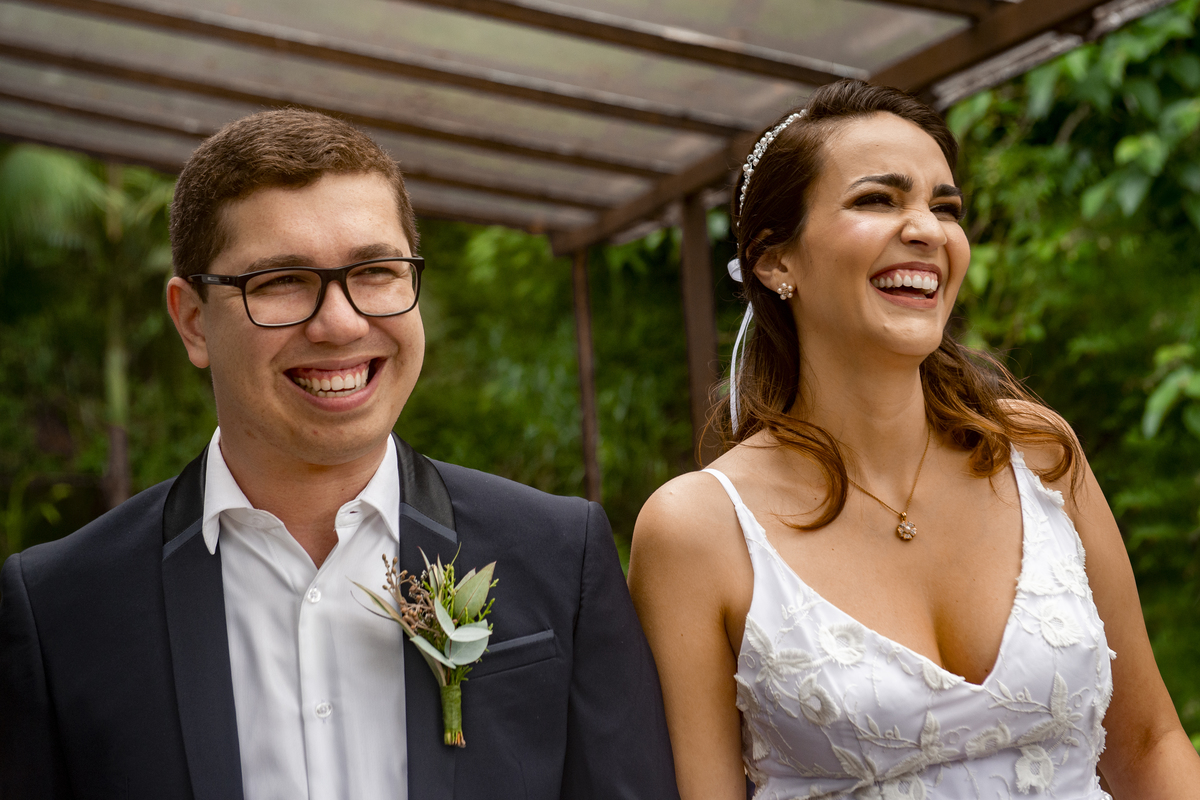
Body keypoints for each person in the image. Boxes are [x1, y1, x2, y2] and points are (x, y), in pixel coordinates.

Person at [0, 109, 679, 800]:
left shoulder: (563, 558)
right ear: (193, 320)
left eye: (377, 270)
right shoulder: (56, 610)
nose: (341, 323)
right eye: (281, 282)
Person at [628, 79, 1200, 799]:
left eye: (945, 207)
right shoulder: (695, 530)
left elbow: (1149, 745)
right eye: (878, 199)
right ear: (776, 262)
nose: (928, 229)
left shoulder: (1040, 454)